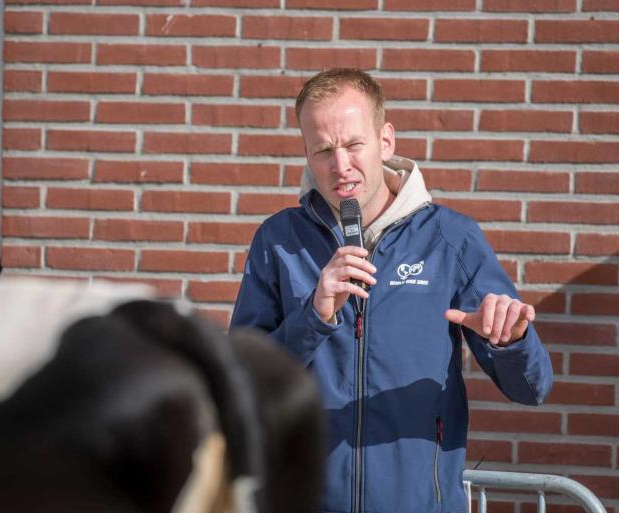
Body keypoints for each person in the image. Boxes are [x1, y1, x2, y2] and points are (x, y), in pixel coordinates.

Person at [230, 68, 553, 513]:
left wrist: (512, 341)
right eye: (323, 149)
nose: (340, 166)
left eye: (353, 144)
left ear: (386, 141)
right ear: (306, 153)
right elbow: (239, 387)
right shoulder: (279, 241)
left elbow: (532, 388)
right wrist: (313, 318)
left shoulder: (450, 239)